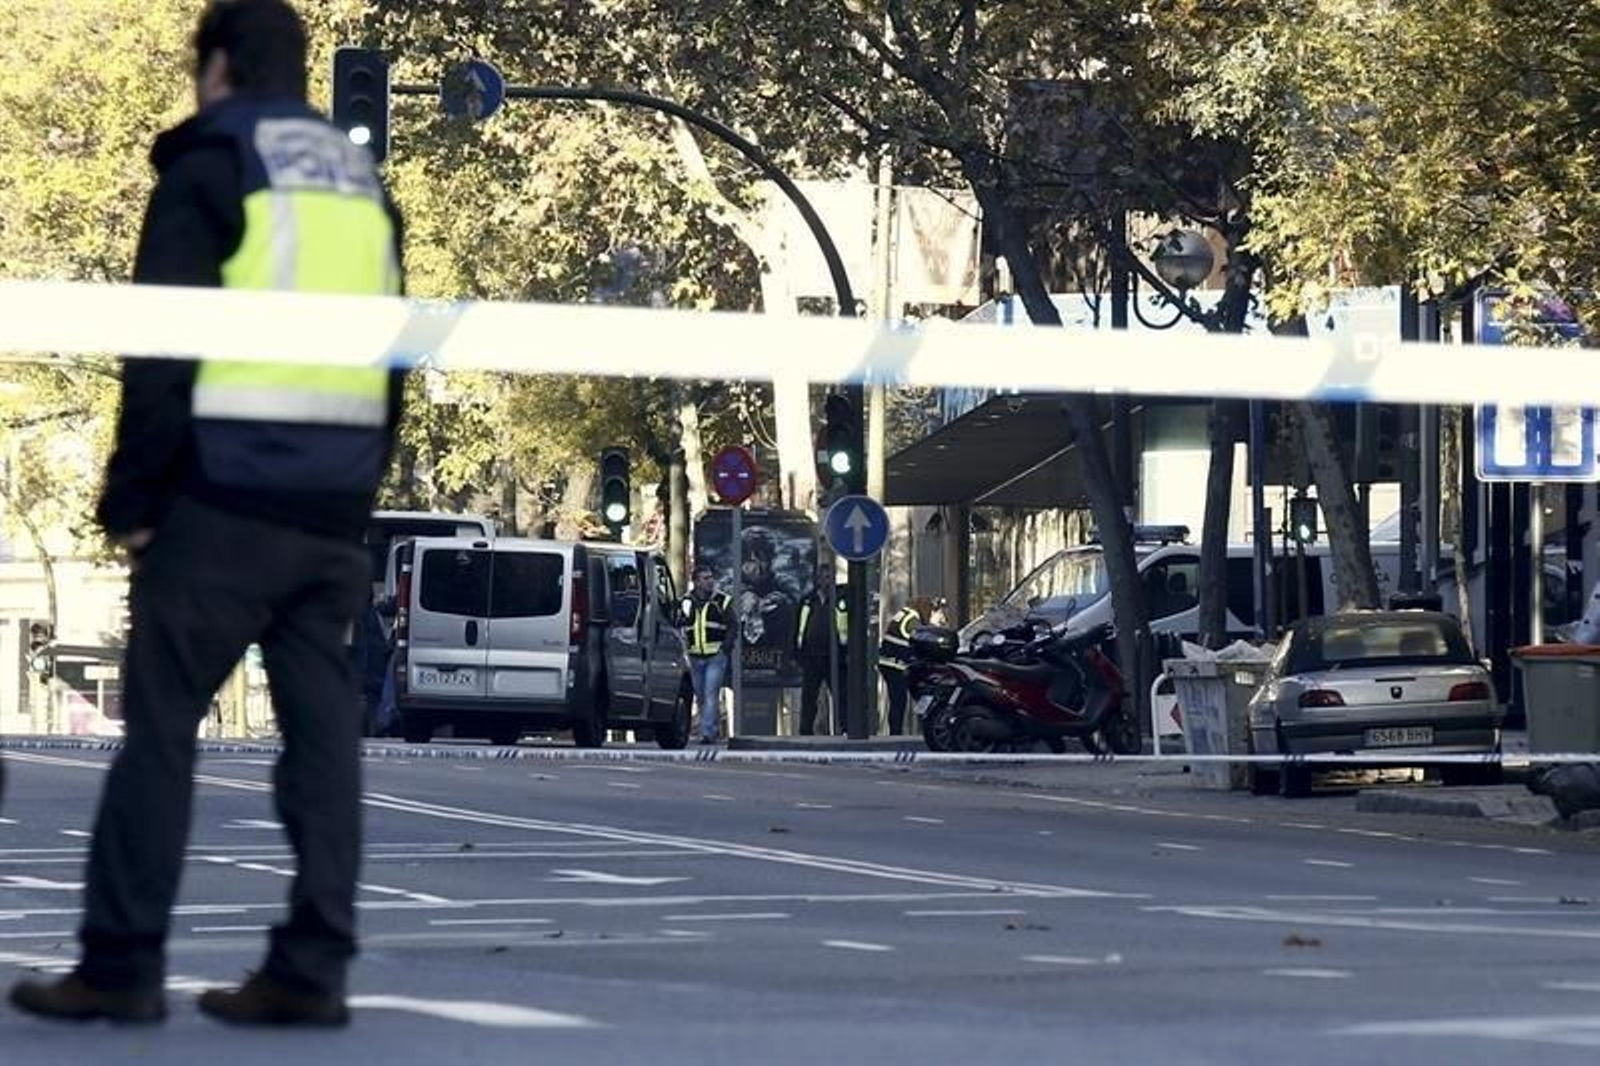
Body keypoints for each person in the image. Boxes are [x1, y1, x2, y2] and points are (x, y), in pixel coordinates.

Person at [9, 0, 405, 1029]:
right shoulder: (360, 185)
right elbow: (393, 357)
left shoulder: (212, 162)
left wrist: (132, 501)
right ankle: (313, 967)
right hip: (329, 511)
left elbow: (165, 348)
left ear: (217, 66)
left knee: (162, 736)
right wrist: (360, 493)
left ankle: (122, 963)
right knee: (324, 744)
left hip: (220, 503)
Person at [735, 527, 798, 680]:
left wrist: (780, 602)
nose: (757, 568)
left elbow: (796, 598)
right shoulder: (731, 585)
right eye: (750, 561)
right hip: (737, 666)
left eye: (762, 560)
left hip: (778, 662)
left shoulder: (783, 584)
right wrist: (741, 598)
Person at [681, 564, 733, 744]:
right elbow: (680, 623)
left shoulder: (722, 600)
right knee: (701, 695)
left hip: (715, 655)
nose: (710, 581)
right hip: (694, 656)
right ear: (695, 582)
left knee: (711, 693)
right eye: (705, 578)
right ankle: (711, 728)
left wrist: (725, 647)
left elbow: (733, 625)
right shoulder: (686, 601)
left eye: (711, 577)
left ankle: (708, 733)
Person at [795, 570, 847, 736]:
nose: (827, 581)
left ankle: (846, 727)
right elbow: (796, 627)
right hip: (811, 657)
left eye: (830, 577)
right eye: (824, 577)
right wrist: (796, 653)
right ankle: (805, 730)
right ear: (817, 580)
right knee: (809, 696)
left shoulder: (841, 599)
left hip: (835, 657)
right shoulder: (808, 601)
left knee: (841, 695)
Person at [878, 596, 932, 735]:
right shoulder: (913, 619)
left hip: (888, 663)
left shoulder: (904, 613)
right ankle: (896, 733)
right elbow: (922, 636)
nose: (929, 613)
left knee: (898, 700)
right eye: (929, 609)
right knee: (899, 701)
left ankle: (896, 731)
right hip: (896, 665)